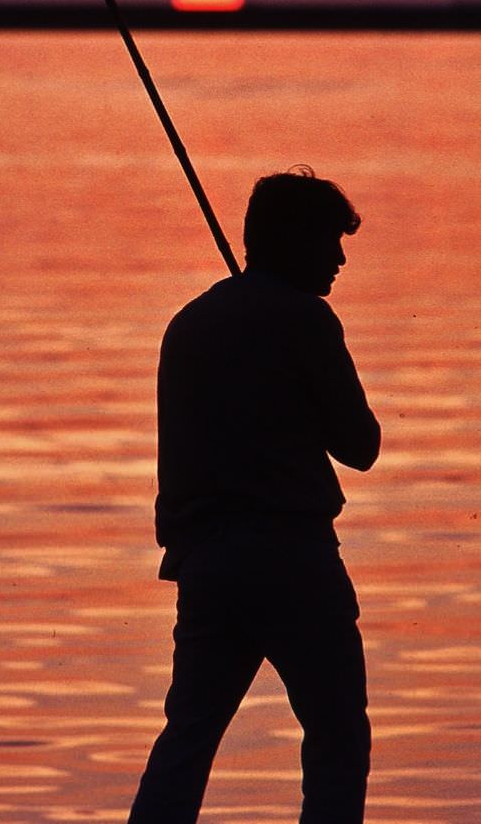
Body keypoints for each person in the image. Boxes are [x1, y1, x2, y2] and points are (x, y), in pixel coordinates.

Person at [127, 167, 381, 824]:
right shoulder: (306, 319)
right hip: (293, 558)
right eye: (329, 241)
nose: (340, 257)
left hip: (207, 563)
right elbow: (362, 444)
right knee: (337, 737)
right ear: (292, 240)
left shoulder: (188, 325)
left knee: (187, 740)